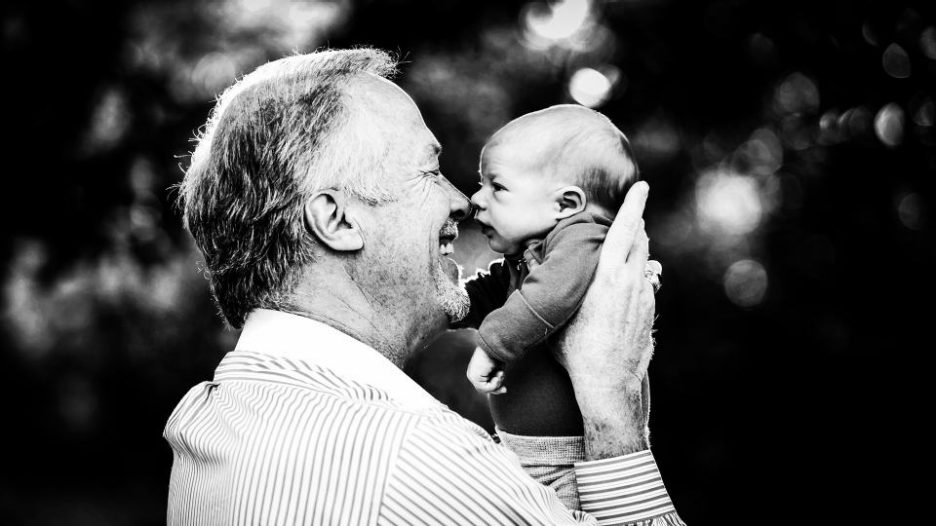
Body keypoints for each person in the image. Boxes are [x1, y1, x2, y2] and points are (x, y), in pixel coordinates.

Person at [165, 48, 682, 525]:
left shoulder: (207, 421)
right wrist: (615, 412)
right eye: (431, 172)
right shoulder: (420, 461)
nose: (461, 200)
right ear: (338, 221)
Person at [454, 105, 649, 508]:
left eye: (498, 187)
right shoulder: (532, 256)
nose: (476, 200)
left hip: (573, 466)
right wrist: (450, 303)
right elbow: (498, 292)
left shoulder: (583, 241)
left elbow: (550, 294)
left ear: (565, 204)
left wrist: (493, 345)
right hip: (529, 457)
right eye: (480, 184)